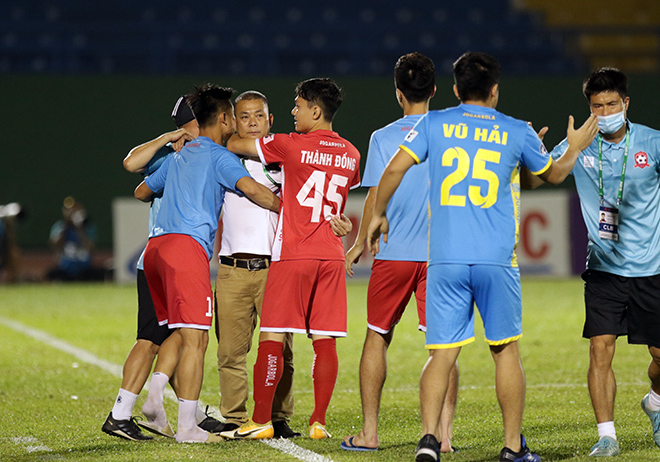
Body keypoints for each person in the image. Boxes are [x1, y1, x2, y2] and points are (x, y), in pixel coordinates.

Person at [367, 52, 599, 462]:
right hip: (496, 261)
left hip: (445, 260)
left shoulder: (432, 123)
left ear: (455, 89)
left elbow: (392, 172)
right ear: (495, 89)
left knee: (442, 353)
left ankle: (428, 441)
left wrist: (379, 214)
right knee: (505, 350)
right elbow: (554, 176)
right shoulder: (516, 130)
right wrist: (574, 146)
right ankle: (512, 448)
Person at [133, 84, 280, 444]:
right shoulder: (218, 156)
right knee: (196, 339)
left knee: (176, 334)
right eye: (237, 115)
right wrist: (294, 211)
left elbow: (141, 190)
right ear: (226, 118)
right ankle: (186, 426)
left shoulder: (179, 155)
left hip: (155, 248)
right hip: (187, 251)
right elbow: (255, 191)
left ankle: (146, 402)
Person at [220, 78, 361, 441]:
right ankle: (318, 422)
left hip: (293, 252)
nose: (293, 112)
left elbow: (235, 143)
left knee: (272, 336)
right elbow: (338, 197)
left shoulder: (289, 144)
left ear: (316, 110)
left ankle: (260, 419)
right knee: (325, 340)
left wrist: (236, 133)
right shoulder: (352, 153)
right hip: (331, 255)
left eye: (298, 106)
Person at [536, 67, 660, 457]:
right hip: (604, 268)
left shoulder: (652, 143)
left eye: (611, 104)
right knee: (600, 349)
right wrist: (537, 150)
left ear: (626, 103)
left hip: (652, 268)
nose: (605, 112)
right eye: (596, 106)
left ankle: (655, 401)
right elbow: (542, 178)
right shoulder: (579, 143)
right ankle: (607, 435)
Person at [341, 52, 458, 453]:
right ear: (435, 89)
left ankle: (369, 434)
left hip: (394, 253)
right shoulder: (451, 132)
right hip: (441, 255)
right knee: (444, 346)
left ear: (398, 93)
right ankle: (444, 438)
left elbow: (376, 191)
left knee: (377, 337)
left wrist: (359, 243)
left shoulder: (383, 137)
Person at [102, 95, 222, 441]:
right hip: (170, 258)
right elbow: (134, 173)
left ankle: (181, 408)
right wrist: (166, 142)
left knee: (179, 336)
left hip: (166, 257)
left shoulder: (193, 158)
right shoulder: (173, 157)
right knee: (155, 337)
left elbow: (142, 191)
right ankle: (123, 412)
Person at [47, 197, 107, 282]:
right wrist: (66, 226)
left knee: (99, 274)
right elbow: (54, 245)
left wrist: (80, 228)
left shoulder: (88, 227)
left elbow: (90, 247)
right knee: (52, 275)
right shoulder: (59, 226)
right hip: (65, 267)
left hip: (85, 267)